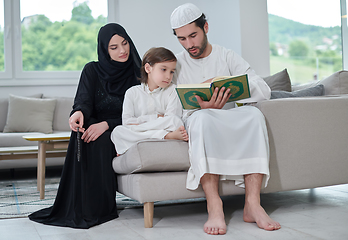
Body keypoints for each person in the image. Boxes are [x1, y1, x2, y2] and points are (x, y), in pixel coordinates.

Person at [170, 3, 281, 235]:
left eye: (193, 35)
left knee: (254, 115)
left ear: (206, 27)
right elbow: (171, 104)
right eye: (182, 39)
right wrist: (202, 105)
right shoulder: (176, 64)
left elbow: (262, 88)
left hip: (230, 116)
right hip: (199, 118)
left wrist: (225, 87)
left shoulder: (227, 55)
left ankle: (253, 204)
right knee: (201, 119)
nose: (189, 44)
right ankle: (215, 205)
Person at [28, 23, 141, 229]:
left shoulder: (139, 73)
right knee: (84, 132)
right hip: (96, 124)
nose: (122, 50)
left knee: (102, 137)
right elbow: (84, 102)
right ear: (104, 49)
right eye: (113, 47)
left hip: (125, 126)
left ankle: (100, 207)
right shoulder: (92, 70)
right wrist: (77, 113)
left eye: (124, 43)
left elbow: (141, 115)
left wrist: (106, 125)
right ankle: (82, 204)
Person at [111, 47, 188, 155]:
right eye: (163, 69)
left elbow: (172, 121)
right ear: (148, 68)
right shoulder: (132, 92)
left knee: (175, 121)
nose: (168, 76)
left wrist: (139, 123)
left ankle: (137, 140)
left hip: (142, 130)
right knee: (117, 131)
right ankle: (164, 136)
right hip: (160, 131)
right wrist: (157, 117)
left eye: (172, 72)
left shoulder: (173, 90)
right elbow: (127, 122)